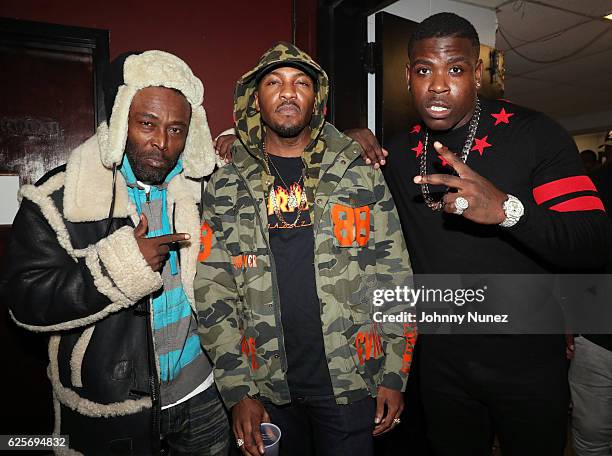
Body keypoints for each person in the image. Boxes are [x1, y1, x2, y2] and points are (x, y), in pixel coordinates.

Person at [375, 12, 609, 456]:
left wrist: (508, 211)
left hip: (528, 365)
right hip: (442, 366)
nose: (439, 85)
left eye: (456, 69)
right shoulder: (400, 152)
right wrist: (350, 139)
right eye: (425, 70)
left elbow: (592, 241)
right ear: (408, 77)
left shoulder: (535, 133)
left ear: (477, 73)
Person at [195, 42, 415, 456]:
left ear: (317, 99)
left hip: (352, 382)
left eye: (301, 83)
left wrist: (394, 373)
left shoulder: (359, 174)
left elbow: (394, 273)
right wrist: (237, 389)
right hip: (266, 387)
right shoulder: (226, 185)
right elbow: (214, 289)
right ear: (255, 100)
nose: (288, 92)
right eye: (273, 83)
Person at [4, 50, 228, 455]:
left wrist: (348, 140)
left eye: (177, 130)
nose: (162, 142)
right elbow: (24, 301)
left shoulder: (203, 191)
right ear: (121, 118)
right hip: (113, 406)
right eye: (147, 124)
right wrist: (119, 268)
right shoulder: (60, 196)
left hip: (203, 393)